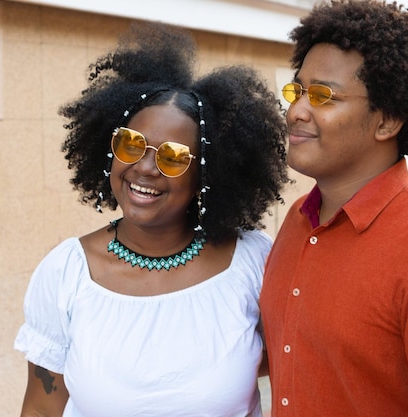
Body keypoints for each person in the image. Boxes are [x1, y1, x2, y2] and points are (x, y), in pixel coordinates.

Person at [14, 22, 290, 417]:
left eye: (173, 157)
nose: (144, 168)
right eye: (131, 144)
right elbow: (42, 408)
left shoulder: (251, 261)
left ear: (205, 178)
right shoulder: (65, 273)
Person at [259, 1, 408, 416]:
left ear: (387, 121)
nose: (296, 110)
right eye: (297, 90)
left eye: (322, 96)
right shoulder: (299, 219)